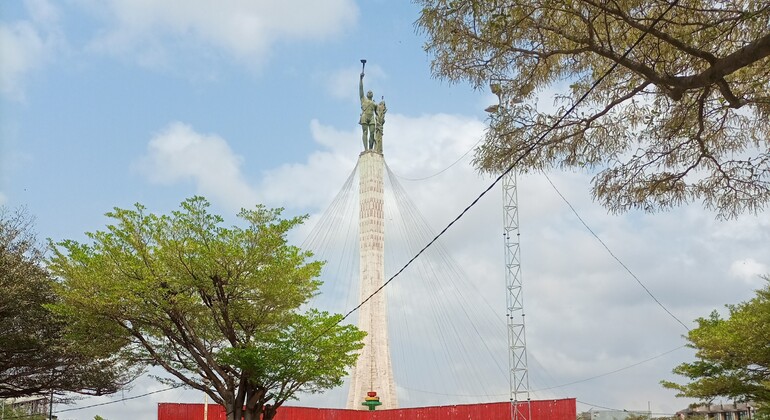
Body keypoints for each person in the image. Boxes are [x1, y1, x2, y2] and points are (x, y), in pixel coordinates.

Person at [359, 73, 376, 150]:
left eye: (371, 92)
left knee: (372, 133)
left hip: (372, 117)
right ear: (366, 94)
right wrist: (361, 79)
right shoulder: (363, 99)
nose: (369, 92)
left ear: (372, 95)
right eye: (368, 92)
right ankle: (366, 149)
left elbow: (378, 114)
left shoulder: (374, 104)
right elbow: (361, 89)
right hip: (364, 116)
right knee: (365, 132)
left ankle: (370, 148)